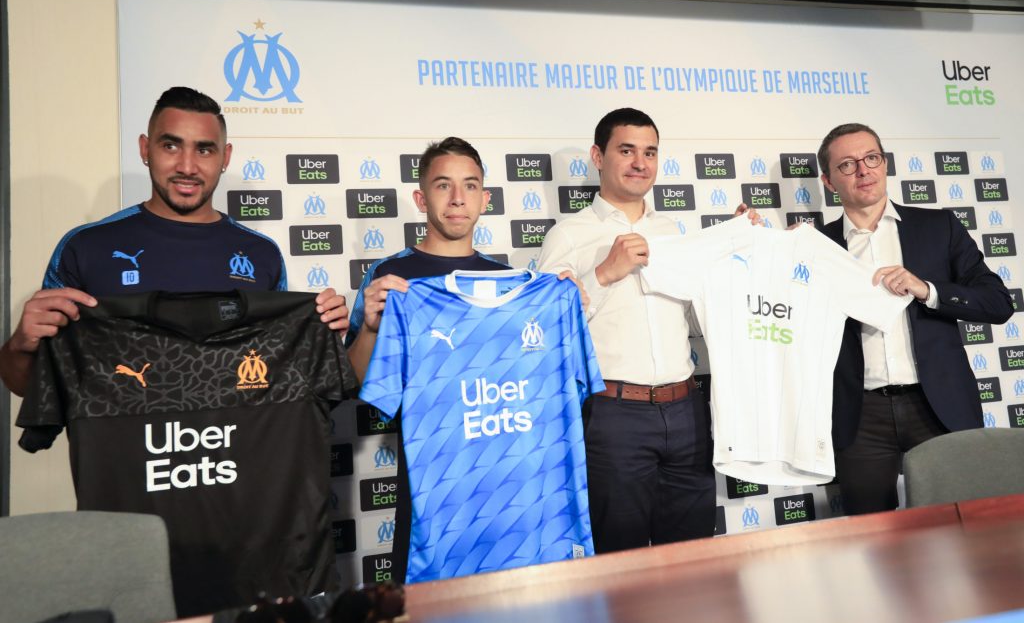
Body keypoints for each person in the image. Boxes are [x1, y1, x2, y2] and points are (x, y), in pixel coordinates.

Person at [0, 86, 349, 396]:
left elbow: (277, 375)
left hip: (236, 448)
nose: (187, 166)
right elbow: (28, 388)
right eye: (171, 146)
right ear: (145, 148)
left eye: (204, 150)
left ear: (225, 157)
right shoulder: (85, 247)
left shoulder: (262, 254)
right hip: (123, 450)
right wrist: (20, 346)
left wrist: (321, 331)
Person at [537, 108, 755, 552]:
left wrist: (739, 252)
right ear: (598, 157)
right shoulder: (568, 236)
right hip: (614, 417)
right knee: (621, 558)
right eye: (626, 151)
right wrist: (605, 273)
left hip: (687, 411)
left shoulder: (672, 231)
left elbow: (698, 319)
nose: (640, 163)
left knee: (692, 556)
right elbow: (544, 331)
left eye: (650, 153)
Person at [818, 122, 1013, 514]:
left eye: (871, 158)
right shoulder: (817, 247)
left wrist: (928, 289)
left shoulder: (939, 227)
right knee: (871, 535)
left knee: (962, 526)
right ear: (828, 181)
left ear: (885, 164)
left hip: (938, 403)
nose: (863, 170)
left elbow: (997, 303)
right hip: (859, 415)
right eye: (847, 164)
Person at [346, 136, 508, 583]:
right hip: (427, 474)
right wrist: (371, 328)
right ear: (421, 199)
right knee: (426, 600)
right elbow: (358, 380)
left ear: (485, 199)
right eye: (443, 185)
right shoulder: (390, 276)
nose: (457, 198)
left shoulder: (507, 280)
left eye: (470, 185)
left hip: (500, 468)